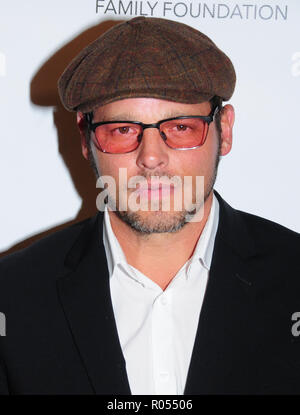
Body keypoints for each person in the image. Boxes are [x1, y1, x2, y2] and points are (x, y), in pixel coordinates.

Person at [0, 16, 299, 395]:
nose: (152, 158)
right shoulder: (14, 297)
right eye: (123, 130)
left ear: (225, 130)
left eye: (181, 128)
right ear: (84, 138)